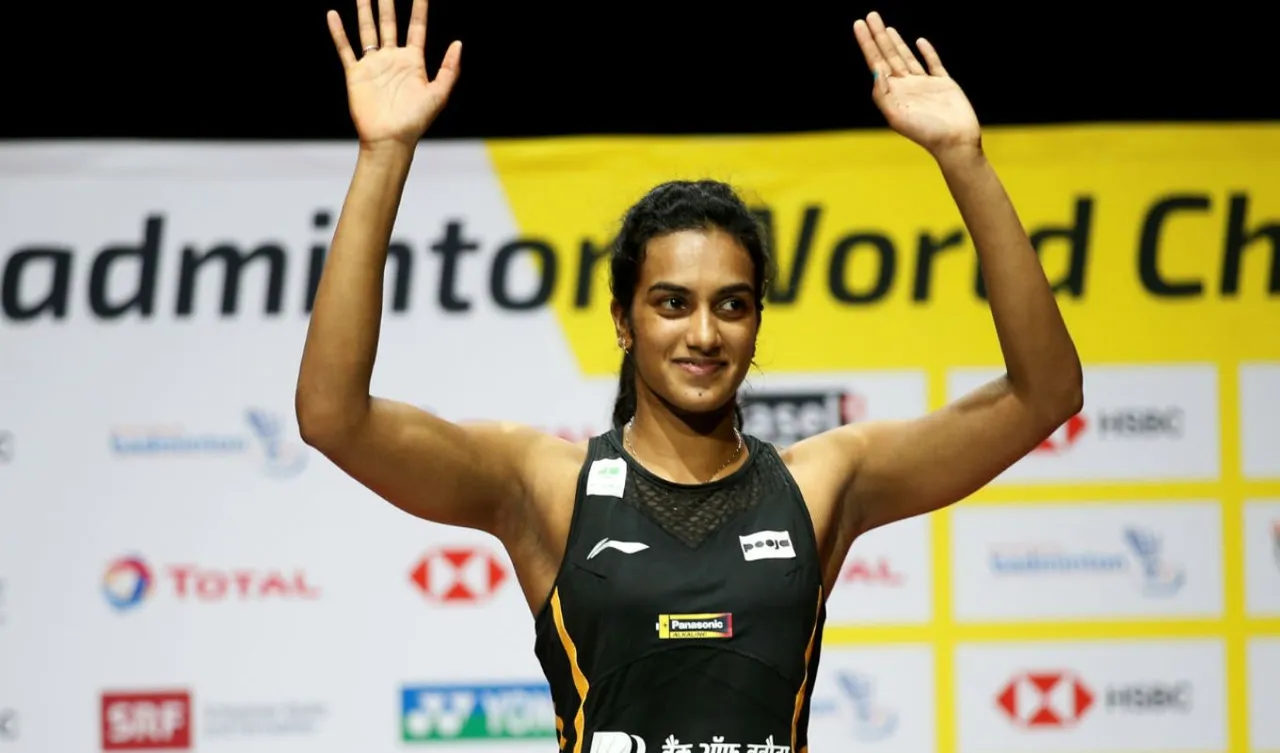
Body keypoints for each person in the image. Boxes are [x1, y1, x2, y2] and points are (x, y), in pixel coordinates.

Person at [297, 1, 1083, 751]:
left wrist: (964, 159)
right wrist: (384, 154)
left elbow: (1045, 394)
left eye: (731, 305)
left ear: (756, 321)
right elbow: (332, 416)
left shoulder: (822, 484)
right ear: (623, 320)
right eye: (672, 303)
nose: (704, 333)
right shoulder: (545, 485)